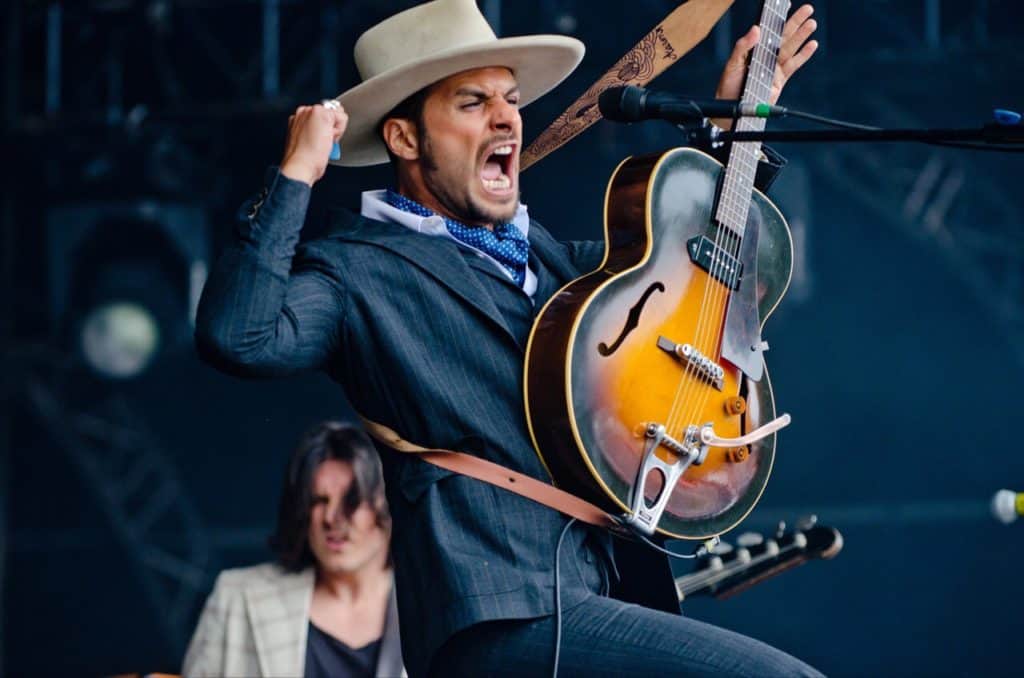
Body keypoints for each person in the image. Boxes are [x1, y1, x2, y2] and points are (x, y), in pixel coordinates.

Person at [195, 0, 822, 675]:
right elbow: (240, 336)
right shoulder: (357, 269)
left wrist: (734, 133)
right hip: (498, 611)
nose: (505, 117)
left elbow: (686, 272)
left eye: (511, 99)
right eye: (471, 102)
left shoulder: (548, 259)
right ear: (405, 139)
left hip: (595, 590)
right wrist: (294, 177)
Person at [182, 422, 404, 677]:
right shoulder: (237, 595)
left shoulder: (430, 602)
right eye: (319, 501)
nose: (332, 517)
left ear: (388, 506)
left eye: (351, 501)